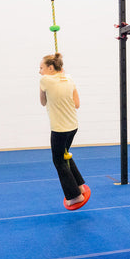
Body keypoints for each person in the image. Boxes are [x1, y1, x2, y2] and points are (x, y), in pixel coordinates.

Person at [39, 53, 90, 210]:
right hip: (72, 126)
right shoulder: (69, 78)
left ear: (51, 67)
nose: (39, 71)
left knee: (59, 160)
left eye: (41, 68)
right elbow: (77, 104)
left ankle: (74, 196)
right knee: (65, 154)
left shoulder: (45, 80)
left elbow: (42, 102)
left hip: (59, 129)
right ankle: (80, 186)